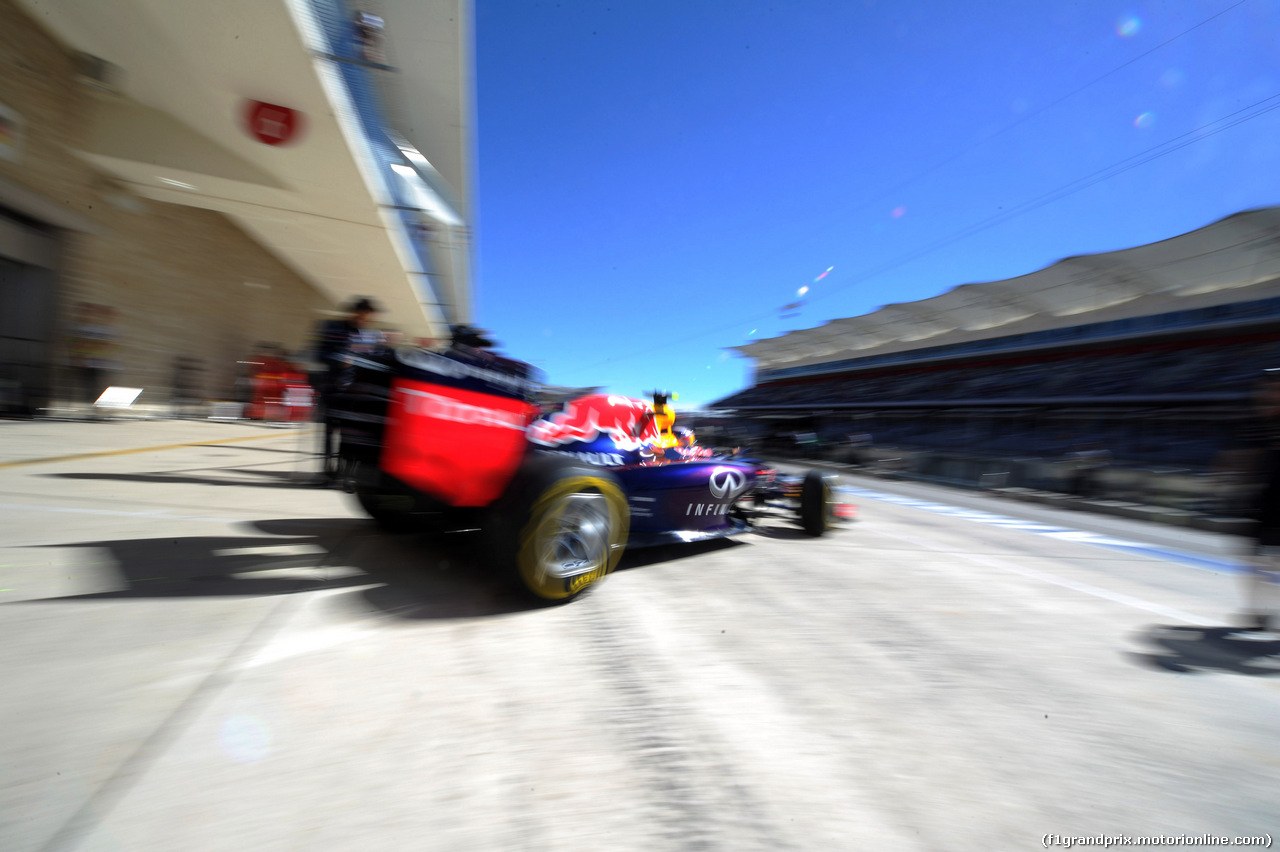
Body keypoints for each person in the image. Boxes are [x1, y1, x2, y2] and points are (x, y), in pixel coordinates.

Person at [314, 297, 384, 482]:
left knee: (348, 435)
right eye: (362, 314)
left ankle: (344, 472)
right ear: (354, 313)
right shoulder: (332, 328)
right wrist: (340, 360)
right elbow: (319, 354)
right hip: (332, 388)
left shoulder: (370, 337)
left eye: (368, 316)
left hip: (354, 393)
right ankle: (328, 471)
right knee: (329, 432)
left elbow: (374, 363)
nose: (364, 318)